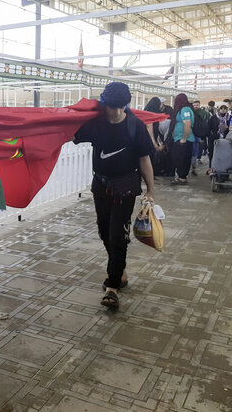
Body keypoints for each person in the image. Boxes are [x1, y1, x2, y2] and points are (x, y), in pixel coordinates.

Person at [73, 82, 155, 310]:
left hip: (126, 186)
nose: (116, 112)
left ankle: (113, 286)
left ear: (126, 105)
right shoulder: (95, 123)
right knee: (103, 229)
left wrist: (150, 191)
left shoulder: (134, 126)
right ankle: (120, 271)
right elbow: (67, 131)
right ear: (103, 104)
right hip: (100, 184)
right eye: (111, 107)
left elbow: (144, 159)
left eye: (121, 107)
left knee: (117, 235)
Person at [168, 94, 195, 185]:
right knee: (180, 158)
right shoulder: (183, 109)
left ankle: (182, 177)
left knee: (183, 159)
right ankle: (181, 177)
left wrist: (184, 138)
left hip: (184, 139)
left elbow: (187, 124)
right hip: (179, 138)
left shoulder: (185, 109)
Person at [207, 104, 230, 174]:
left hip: (225, 139)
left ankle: (223, 170)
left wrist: (227, 128)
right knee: (212, 154)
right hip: (214, 139)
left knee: (224, 155)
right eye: (221, 108)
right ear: (218, 109)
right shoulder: (213, 117)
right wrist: (212, 136)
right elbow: (208, 127)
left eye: (225, 108)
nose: (223, 110)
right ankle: (211, 169)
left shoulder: (229, 118)